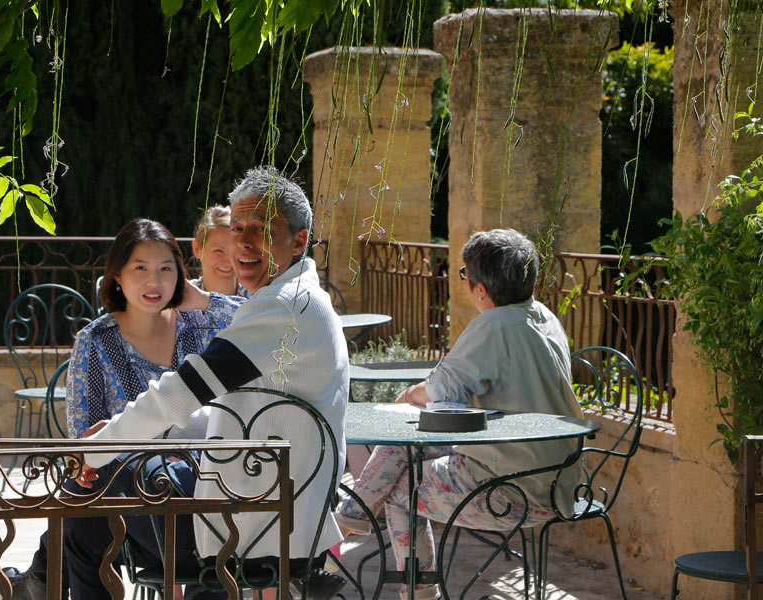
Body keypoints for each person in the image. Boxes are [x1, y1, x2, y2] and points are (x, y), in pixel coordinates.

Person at [65, 166, 349, 600]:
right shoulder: (292, 299)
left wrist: (100, 449)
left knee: (87, 499)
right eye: (237, 228)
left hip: (253, 530)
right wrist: (121, 438)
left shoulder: (287, 308)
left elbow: (183, 391)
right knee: (104, 489)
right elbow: (225, 410)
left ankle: (41, 579)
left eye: (261, 228)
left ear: (299, 240)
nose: (245, 242)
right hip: (262, 513)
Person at [334, 228, 584, 600]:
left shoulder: (494, 326)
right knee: (405, 450)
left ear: (480, 289)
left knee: (403, 489)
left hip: (511, 490)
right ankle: (354, 512)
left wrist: (406, 395)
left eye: (465, 275)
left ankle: (393, 562)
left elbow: (439, 389)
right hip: (559, 479)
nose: (465, 283)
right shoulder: (542, 315)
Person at [4, 218, 245, 600]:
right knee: (88, 488)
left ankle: (39, 579)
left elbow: (270, 322)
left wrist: (201, 298)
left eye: (167, 269)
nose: (155, 282)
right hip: (133, 508)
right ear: (116, 276)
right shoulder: (96, 340)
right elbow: (81, 446)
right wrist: (91, 457)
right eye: (141, 269)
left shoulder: (199, 324)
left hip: (205, 489)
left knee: (85, 501)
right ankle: (41, 578)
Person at [190, 205, 247, 298]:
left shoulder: (259, 301)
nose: (228, 261)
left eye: (235, 251)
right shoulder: (179, 299)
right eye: (218, 251)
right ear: (197, 249)